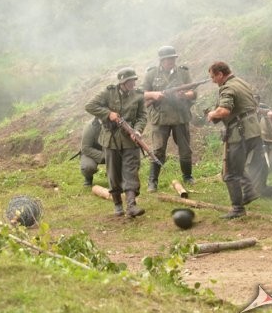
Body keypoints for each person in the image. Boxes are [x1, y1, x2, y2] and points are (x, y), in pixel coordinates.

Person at [85, 67, 147, 217]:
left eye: (133, 80)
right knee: (113, 173)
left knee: (131, 171)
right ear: (122, 82)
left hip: (130, 140)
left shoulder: (138, 95)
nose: (132, 83)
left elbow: (142, 117)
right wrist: (108, 114)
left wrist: (137, 131)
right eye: (129, 81)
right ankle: (118, 203)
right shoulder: (109, 93)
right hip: (110, 139)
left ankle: (131, 205)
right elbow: (90, 106)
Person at [204, 61, 261, 219]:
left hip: (239, 133)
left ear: (220, 74)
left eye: (213, 77)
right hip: (253, 132)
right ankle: (249, 192)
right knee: (238, 165)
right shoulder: (241, 82)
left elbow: (224, 110)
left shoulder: (227, 87)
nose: (213, 81)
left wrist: (211, 114)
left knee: (230, 173)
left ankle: (237, 208)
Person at [142, 46, 196, 191]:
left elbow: (193, 92)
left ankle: (188, 176)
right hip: (160, 118)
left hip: (180, 116)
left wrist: (185, 95)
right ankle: (152, 181)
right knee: (158, 150)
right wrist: (154, 95)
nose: (172, 61)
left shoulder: (183, 72)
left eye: (173, 58)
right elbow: (142, 94)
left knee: (185, 149)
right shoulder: (151, 74)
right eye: (168, 59)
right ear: (161, 60)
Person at [79, 116, 105, 187]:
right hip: (91, 152)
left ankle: (119, 179)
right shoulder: (90, 126)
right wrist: (103, 156)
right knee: (88, 167)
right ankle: (88, 178)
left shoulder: (115, 122)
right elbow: (85, 148)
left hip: (110, 151)